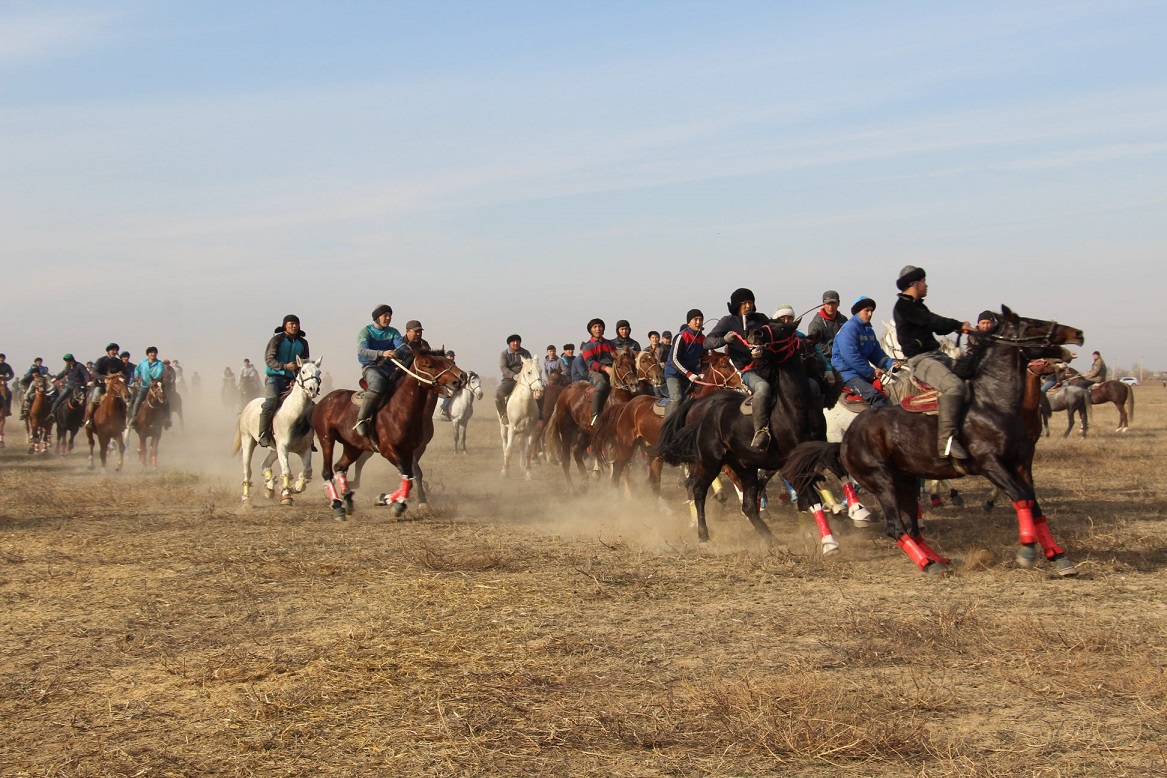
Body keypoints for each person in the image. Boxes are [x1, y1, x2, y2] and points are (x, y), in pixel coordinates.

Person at [893, 266, 972, 459]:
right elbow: (932, 321)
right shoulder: (904, 307)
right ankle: (946, 441)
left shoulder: (917, 305)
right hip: (922, 360)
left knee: (972, 378)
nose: (926, 286)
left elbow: (936, 327)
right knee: (954, 386)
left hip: (936, 355)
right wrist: (958, 325)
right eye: (924, 282)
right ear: (915, 284)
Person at [705, 288, 772, 448]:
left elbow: (773, 335)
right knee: (763, 388)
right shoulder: (728, 321)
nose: (749, 306)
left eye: (751, 302)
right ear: (737, 305)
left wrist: (764, 347)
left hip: (768, 367)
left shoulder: (761, 319)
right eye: (745, 303)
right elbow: (707, 342)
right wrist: (724, 339)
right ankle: (760, 432)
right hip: (746, 371)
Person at [832, 296, 900, 409]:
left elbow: (876, 354)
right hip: (846, 374)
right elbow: (850, 356)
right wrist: (871, 372)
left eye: (871, 311)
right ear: (858, 311)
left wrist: (891, 363)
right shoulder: (849, 329)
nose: (870, 314)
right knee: (875, 395)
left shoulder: (869, 331)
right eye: (866, 310)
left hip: (861, 374)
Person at [354, 304, 403, 442]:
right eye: (385, 315)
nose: (388, 318)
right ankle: (362, 419)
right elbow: (362, 351)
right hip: (371, 368)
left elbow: (402, 347)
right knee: (378, 383)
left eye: (390, 315)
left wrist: (398, 352)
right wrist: (383, 353)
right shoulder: (366, 332)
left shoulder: (393, 332)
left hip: (391, 369)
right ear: (376, 317)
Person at [259, 314, 310, 447]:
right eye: (291, 323)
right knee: (271, 402)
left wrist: (296, 379)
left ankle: (307, 437)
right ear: (284, 326)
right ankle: (264, 433)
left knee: (309, 405)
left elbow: (303, 364)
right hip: (274, 378)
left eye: (296, 324)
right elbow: (269, 359)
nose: (294, 326)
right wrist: (285, 366)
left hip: (293, 381)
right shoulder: (277, 340)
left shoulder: (303, 343)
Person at [663, 309, 705, 417]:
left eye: (700, 320)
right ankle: (667, 427)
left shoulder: (702, 338)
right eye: (695, 319)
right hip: (674, 374)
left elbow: (704, 358)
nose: (698, 322)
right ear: (688, 322)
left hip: (690, 375)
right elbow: (674, 359)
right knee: (677, 399)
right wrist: (688, 374)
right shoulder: (682, 336)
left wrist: (701, 372)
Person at [581, 318, 618, 425]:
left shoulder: (610, 344)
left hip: (612, 371)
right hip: (596, 373)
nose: (598, 329)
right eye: (595, 327)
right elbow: (590, 363)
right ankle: (595, 416)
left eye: (600, 326)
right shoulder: (588, 346)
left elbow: (616, 357)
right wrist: (605, 368)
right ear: (591, 330)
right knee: (602, 384)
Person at [84, 343, 129, 430]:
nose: (114, 352)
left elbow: (125, 373)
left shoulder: (119, 362)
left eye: (116, 350)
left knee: (123, 403)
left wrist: (123, 377)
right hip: (101, 385)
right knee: (95, 398)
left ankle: (123, 422)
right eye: (112, 350)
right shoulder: (101, 361)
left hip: (115, 387)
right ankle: (89, 420)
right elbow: (95, 372)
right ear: (108, 351)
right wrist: (104, 378)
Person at [495, 334, 533, 425]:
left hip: (525, 380)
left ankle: (539, 413)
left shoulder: (526, 353)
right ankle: (503, 414)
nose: (516, 343)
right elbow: (503, 368)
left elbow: (530, 365)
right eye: (513, 342)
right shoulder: (504, 354)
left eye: (518, 341)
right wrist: (514, 376)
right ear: (509, 344)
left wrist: (523, 375)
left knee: (539, 391)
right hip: (509, 380)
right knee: (497, 395)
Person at [127, 347, 166, 430]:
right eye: (151, 352)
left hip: (155, 386)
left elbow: (160, 372)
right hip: (144, 386)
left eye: (155, 352)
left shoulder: (160, 363)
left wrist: (154, 380)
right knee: (137, 401)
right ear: (148, 354)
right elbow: (137, 370)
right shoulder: (143, 362)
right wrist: (137, 376)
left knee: (164, 400)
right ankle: (134, 418)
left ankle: (166, 419)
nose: (153, 354)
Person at [806, 290, 847, 360]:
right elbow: (812, 344)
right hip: (825, 361)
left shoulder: (844, 320)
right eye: (828, 304)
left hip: (844, 359)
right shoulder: (816, 323)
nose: (830, 307)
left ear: (838, 303)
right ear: (823, 304)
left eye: (833, 303)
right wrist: (835, 351)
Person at [0, 353, 13, 417]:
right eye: (0, 358)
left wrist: (7, 378)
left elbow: (12, 374)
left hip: (3, 382)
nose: (1, 359)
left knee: (9, 394)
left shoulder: (7, 366)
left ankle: (8, 409)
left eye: (2, 358)